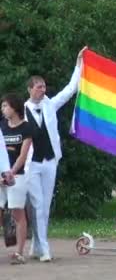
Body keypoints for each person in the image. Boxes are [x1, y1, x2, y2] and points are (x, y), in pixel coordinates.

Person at [25, 49, 83, 262]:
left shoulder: (50, 104)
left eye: (44, 86)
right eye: (39, 86)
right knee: (37, 204)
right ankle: (45, 248)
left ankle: (37, 244)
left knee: (45, 204)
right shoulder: (22, 111)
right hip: (31, 164)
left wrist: (78, 64)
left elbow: (71, 89)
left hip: (50, 161)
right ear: (30, 89)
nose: (43, 89)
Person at [0, 94, 34, 264]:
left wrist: (10, 173)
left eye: (5, 105)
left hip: (17, 176)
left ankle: (19, 253)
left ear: (14, 107)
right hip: (0, 177)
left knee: (17, 213)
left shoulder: (26, 128)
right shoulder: (1, 127)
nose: (3, 109)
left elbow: (23, 154)